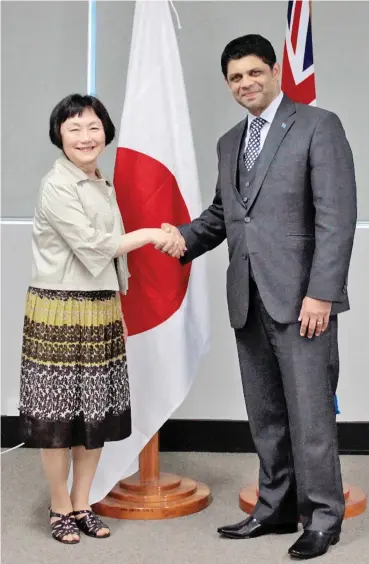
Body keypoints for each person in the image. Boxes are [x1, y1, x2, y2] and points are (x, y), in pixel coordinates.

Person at [160, 35, 357, 560]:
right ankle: (274, 507)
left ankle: (322, 518)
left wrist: (322, 293)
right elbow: (226, 214)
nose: (245, 83)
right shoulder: (230, 141)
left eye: (253, 72)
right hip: (247, 296)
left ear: (275, 70)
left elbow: (337, 220)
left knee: (310, 413)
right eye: (234, 78)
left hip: (302, 302)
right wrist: (181, 238)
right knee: (266, 412)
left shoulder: (319, 125)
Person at [18, 93, 181, 544]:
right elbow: (92, 247)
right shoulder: (57, 185)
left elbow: (108, 262)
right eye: (75, 129)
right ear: (59, 137)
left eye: (93, 127)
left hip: (100, 308)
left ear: (105, 132)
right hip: (58, 310)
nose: (86, 137)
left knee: (94, 413)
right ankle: (59, 508)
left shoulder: (99, 181)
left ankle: (82, 503)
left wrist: (116, 308)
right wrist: (151, 233)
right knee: (57, 419)